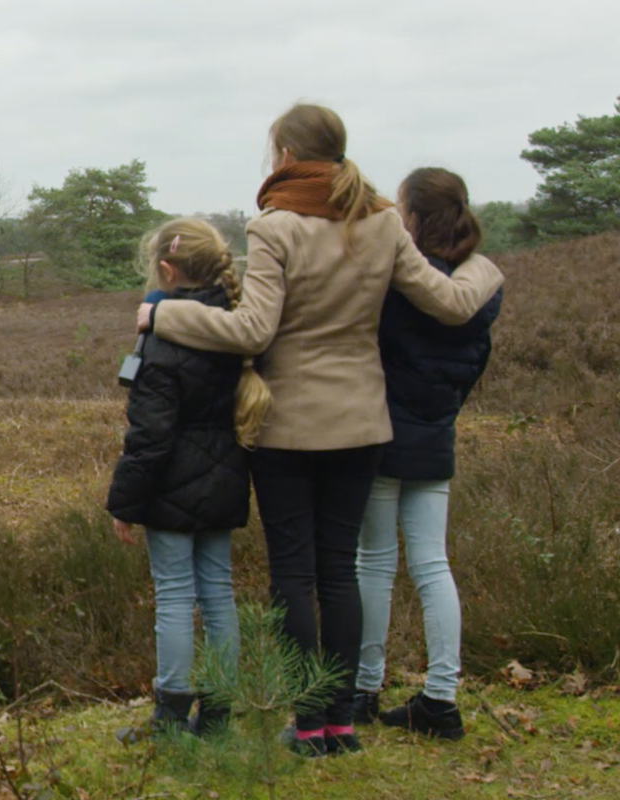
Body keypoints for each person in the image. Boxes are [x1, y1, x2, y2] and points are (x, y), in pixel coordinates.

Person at [137, 104, 504, 757]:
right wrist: (487, 268)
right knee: (338, 574)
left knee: (293, 579)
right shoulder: (384, 221)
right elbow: (450, 303)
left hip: (287, 429)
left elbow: (252, 331)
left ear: (284, 154)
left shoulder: (275, 227)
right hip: (363, 423)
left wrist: (162, 317)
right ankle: (340, 725)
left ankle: (307, 725)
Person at [107, 218, 271, 739]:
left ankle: (171, 715)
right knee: (218, 593)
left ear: (166, 271)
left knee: (175, 595)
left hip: (171, 488)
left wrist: (124, 502)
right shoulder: (236, 326)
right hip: (225, 477)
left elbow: (150, 437)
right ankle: (219, 712)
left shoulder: (161, 343)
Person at [353, 167, 502, 740]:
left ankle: (366, 688)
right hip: (437, 435)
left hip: (385, 432)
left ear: (412, 218)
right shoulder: (480, 286)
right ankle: (440, 698)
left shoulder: (402, 283)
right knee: (432, 565)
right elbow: (471, 366)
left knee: (374, 562)